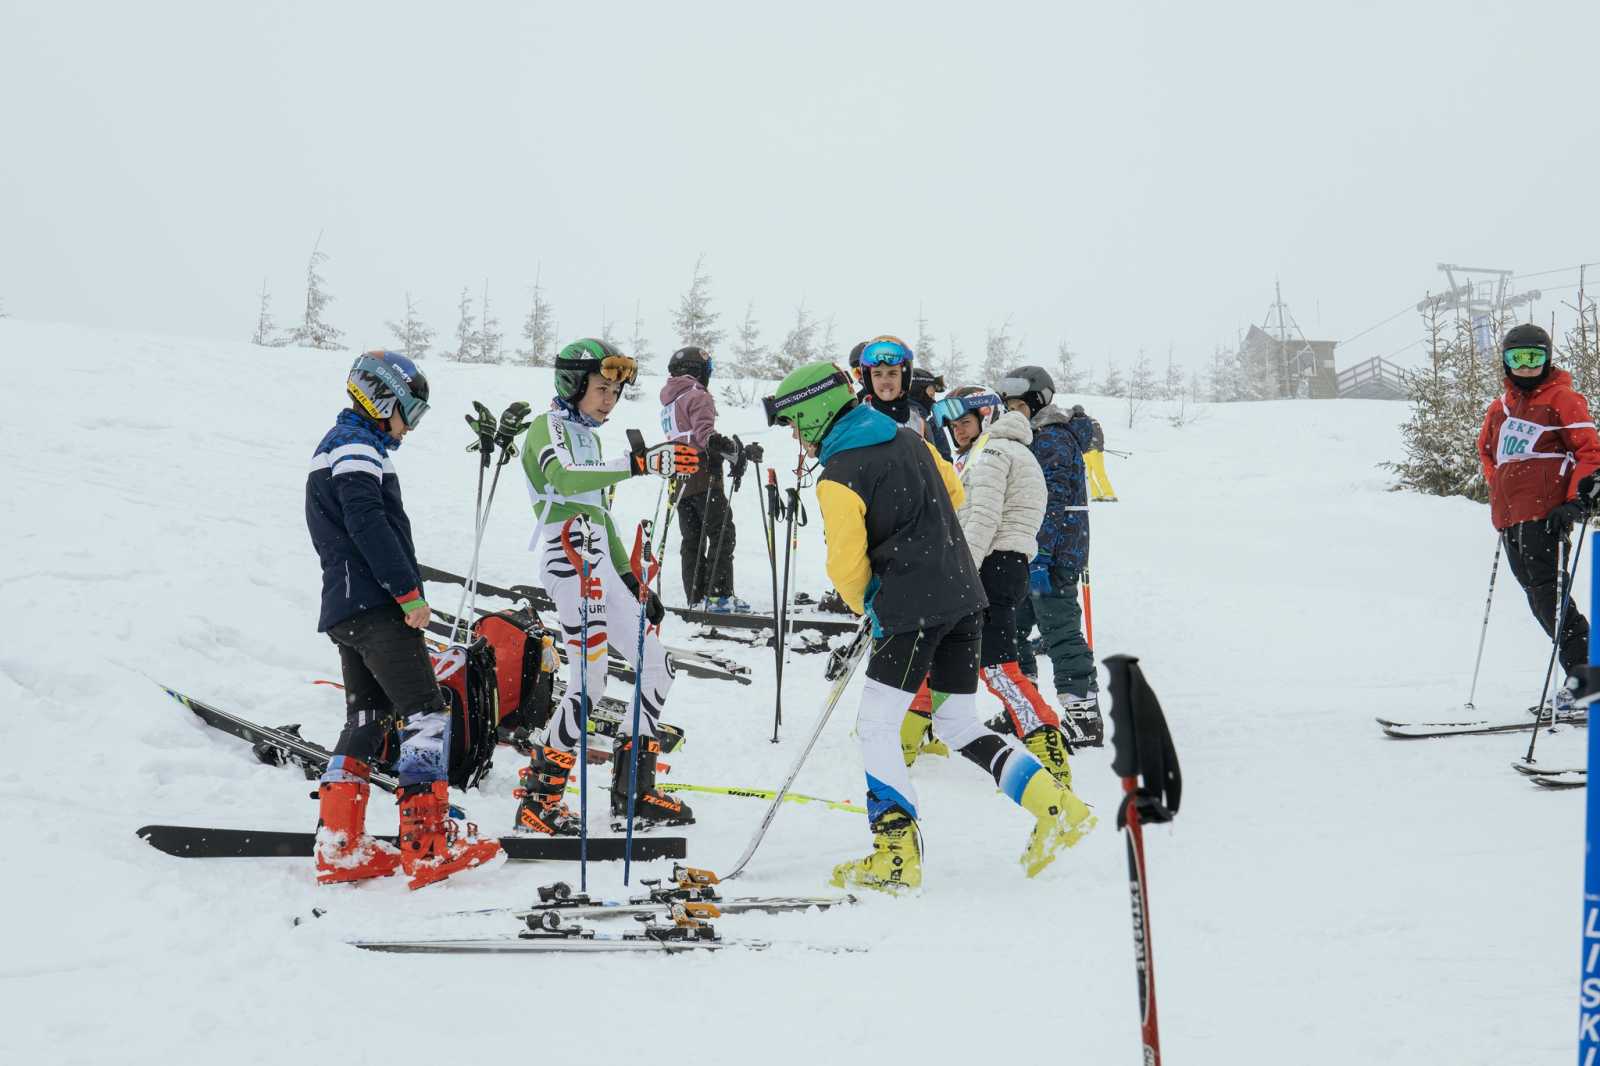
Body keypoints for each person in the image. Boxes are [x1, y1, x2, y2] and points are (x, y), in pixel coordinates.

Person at [763, 358, 1095, 892]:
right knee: (959, 723)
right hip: (966, 594)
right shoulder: (910, 439)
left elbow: (845, 565)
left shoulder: (839, 474)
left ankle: (895, 855)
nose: (799, 440)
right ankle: (1057, 806)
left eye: (797, 425)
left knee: (875, 726)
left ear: (816, 412)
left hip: (911, 607)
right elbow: (957, 495)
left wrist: (865, 604)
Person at [307, 350, 502, 889]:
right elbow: (367, 523)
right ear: (382, 398)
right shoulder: (356, 448)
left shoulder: (338, 445)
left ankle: (340, 847)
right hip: (375, 606)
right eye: (409, 414)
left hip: (346, 608)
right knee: (426, 712)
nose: (409, 428)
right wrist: (407, 593)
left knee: (367, 719)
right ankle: (428, 845)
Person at [513, 338, 701, 836]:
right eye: (600, 389)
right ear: (573, 384)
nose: (608, 401)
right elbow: (567, 479)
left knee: (657, 668)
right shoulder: (546, 427)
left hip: (598, 554)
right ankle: (540, 796)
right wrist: (638, 464)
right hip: (568, 557)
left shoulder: (592, 439)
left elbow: (601, 515)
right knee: (589, 685)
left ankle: (633, 791)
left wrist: (632, 579)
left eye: (615, 394)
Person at [928, 386, 1076, 787]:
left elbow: (983, 518)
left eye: (965, 422)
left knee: (996, 666)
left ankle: (1050, 753)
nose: (958, 431)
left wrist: (962, 570)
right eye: (953, 425)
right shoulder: (998, 450)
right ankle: (913, 740)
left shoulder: (994, 452)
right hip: (998, 563)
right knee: (943, 652)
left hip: (991, 563)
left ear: (987, 416)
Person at [1476, 323, 1600, 709]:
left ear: (1547, 359)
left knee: (1549, 595)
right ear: (1506, 361)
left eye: (1535, 358)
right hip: (1512, 517)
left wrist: (1577, 500)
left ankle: (1588, 677)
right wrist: (1502, 490)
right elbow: (1488, 453)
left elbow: (1590, 452)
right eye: (1518, 358)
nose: (1527, 366)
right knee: (1538, 596)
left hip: (1547, 513)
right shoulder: (1501, 408)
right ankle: (1587, 675)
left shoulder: (1563, 398)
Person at [996, 365, 1102, 746]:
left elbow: (1052, 501)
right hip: (1027, 553)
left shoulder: (1051, 438)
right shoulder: (1032, 436)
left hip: (1052, 557)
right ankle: (1026, 709)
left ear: (1038, 401)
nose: (1012, 411)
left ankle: (1082, 716)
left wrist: (1040, 554)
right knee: (1012, 630)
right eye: (1007, 404)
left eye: (1019, 404)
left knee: (1060, 633)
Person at [659, 345, 762, 612]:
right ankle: (719, 596)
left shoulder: (671, 400)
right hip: (704, 477)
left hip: (679, 478)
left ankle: (696, 596)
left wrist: (735, 453)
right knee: (722, 533)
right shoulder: (698, 394)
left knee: (692, 539)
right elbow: (706, 436)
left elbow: (689, 435)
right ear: (698, 370)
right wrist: (731, 451)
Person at [1068, 404, 1118, 502]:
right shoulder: (1075, 423)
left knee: (1099, 473)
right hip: (1085, 452)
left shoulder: (1091, 421)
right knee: (1088, 474)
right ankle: (1096, 494)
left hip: (1094, 451)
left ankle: (1109, 494)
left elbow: (1099, 435)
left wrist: (1098, 446)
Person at [909, 367, 950, 461]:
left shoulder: (929, 423)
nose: (933, 401)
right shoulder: (909, 421)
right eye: (931, 395)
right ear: (917, 392)